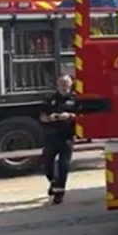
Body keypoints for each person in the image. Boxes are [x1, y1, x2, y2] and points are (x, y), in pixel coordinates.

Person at [40, 75, 78, 204]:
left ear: (71, 84)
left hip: (67, 136)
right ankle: (53, 182)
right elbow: (41, 116)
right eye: (61, 83)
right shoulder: (50, 99)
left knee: (63, 165)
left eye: (66, 83)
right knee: (47, 164)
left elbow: (83, 115)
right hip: (51, 136)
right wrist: (51, 117)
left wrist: (70, 116)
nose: (64, 86)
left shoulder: (76, 99)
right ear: (57, 85)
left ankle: (59, 193)